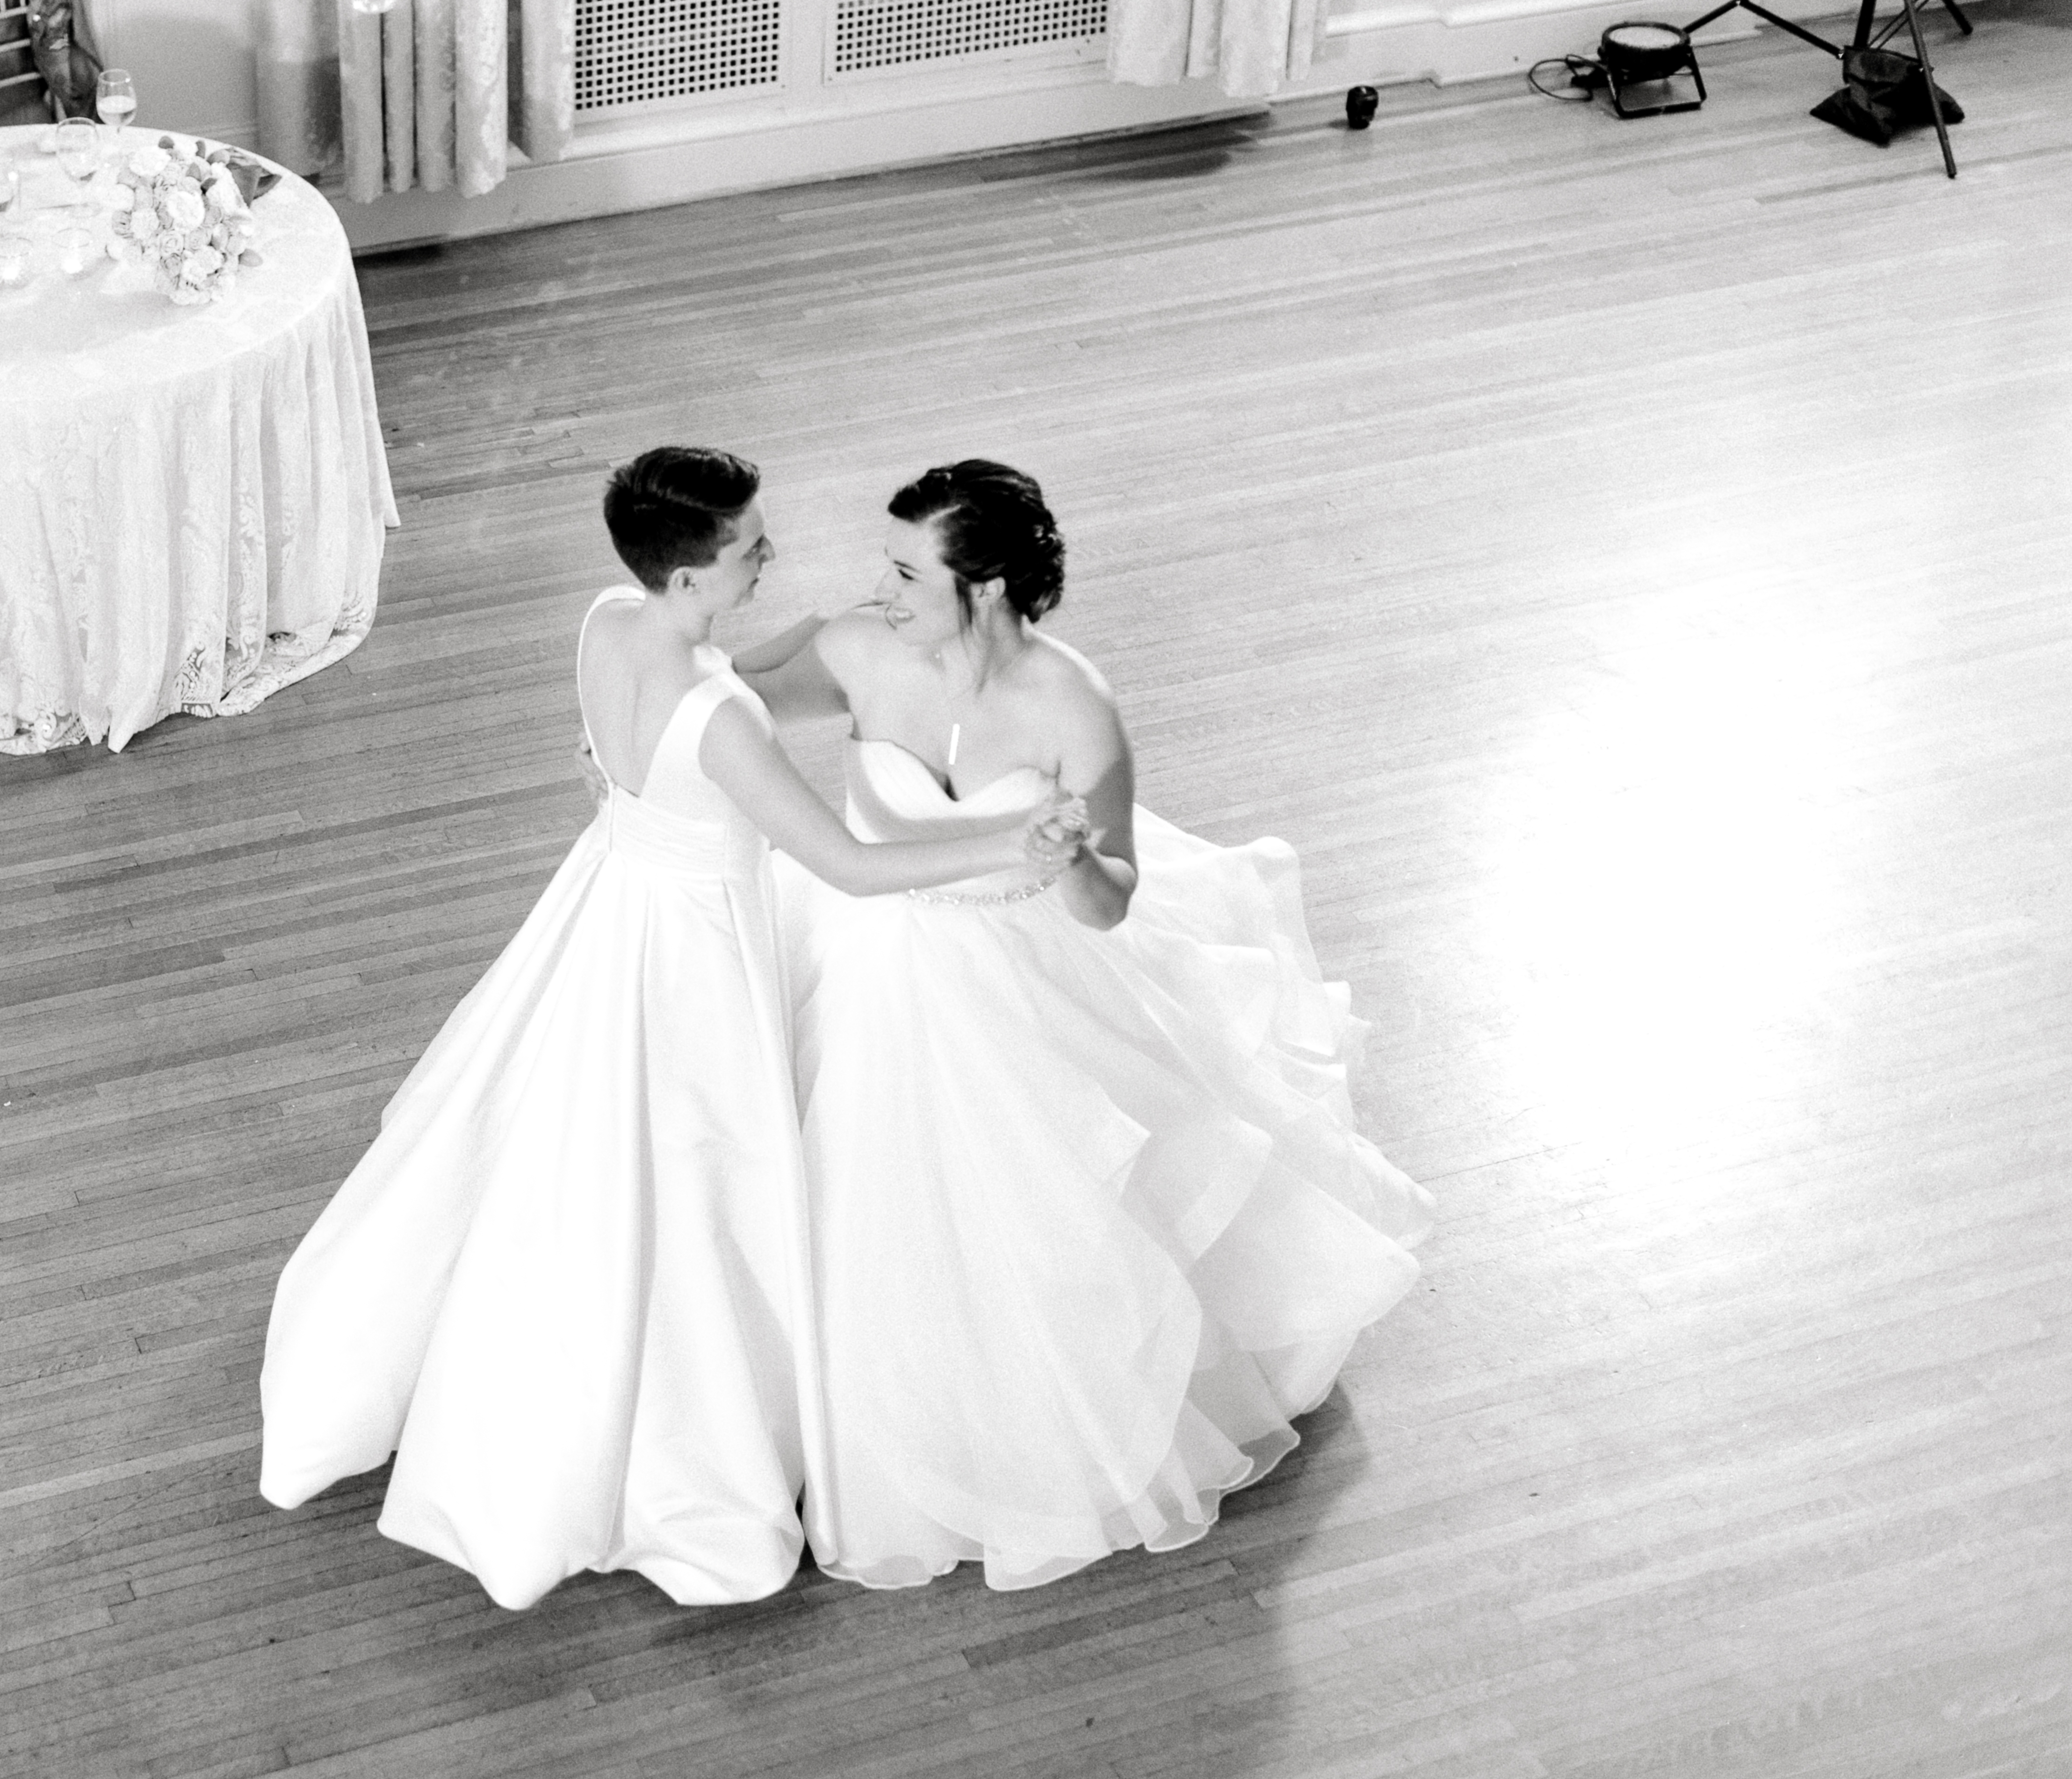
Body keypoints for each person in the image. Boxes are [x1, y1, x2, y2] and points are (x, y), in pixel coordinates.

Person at [257, 447, 1086, 1611]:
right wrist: (1010, 844)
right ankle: (682, 1450)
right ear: (694, 573)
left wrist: (807, 630)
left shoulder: (607, 622)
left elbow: (625, 740)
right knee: (689, 1175)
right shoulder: (721, 719)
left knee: (557, 1139)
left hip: (610, 899)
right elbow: (846, 864)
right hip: (690, 947)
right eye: (752, 548)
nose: (769, 557)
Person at [737, 459, 1436, 1591]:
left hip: (1026, 973)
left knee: (1045, 1216)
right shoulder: (858, 649)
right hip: (868, 957)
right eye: (889, 563)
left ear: (992, 584)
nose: (885, 586)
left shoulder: (1070, 702)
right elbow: (724, 714)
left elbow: (1111, 900)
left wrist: (1065, 864)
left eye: (910, 570)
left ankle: (1017, 1425)